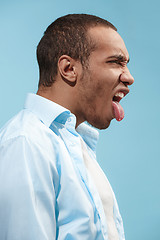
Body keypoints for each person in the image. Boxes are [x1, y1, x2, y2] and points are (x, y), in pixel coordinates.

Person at [0, 14, 134, 240]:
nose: (129, 77)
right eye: (115, 61)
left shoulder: (75, 145)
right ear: (69, 68)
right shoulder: (27, 142)